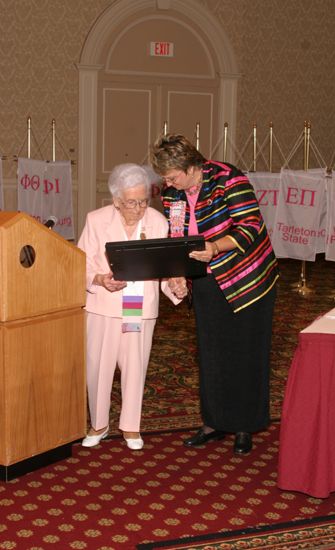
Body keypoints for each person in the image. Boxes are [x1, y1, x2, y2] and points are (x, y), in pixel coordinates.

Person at [150, 134, 279, 454]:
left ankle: (245, 426)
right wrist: (179, 274)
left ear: (190, 166)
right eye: (165, 178)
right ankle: (214, 421)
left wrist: (215, 247)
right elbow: (177, 235)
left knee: (247, 352)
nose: (166, 183)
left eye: (171, 176)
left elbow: (251, 226)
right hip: (205, 278)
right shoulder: (171, 193)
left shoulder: (227, 178)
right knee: (211, 352)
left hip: (247, 277)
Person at [78, 163, 187, 450]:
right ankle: (98, 424)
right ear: (116, 201)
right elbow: (80, 265)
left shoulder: (157, 222)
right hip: (103, 305)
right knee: (97, 367)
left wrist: (175, 285)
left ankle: (131, 426)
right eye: (131, 202)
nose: (139, 208)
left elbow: (164, 268)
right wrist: (100, 279)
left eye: (143, 201)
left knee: (135, 366)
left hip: (138, 306)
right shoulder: (96, 220)